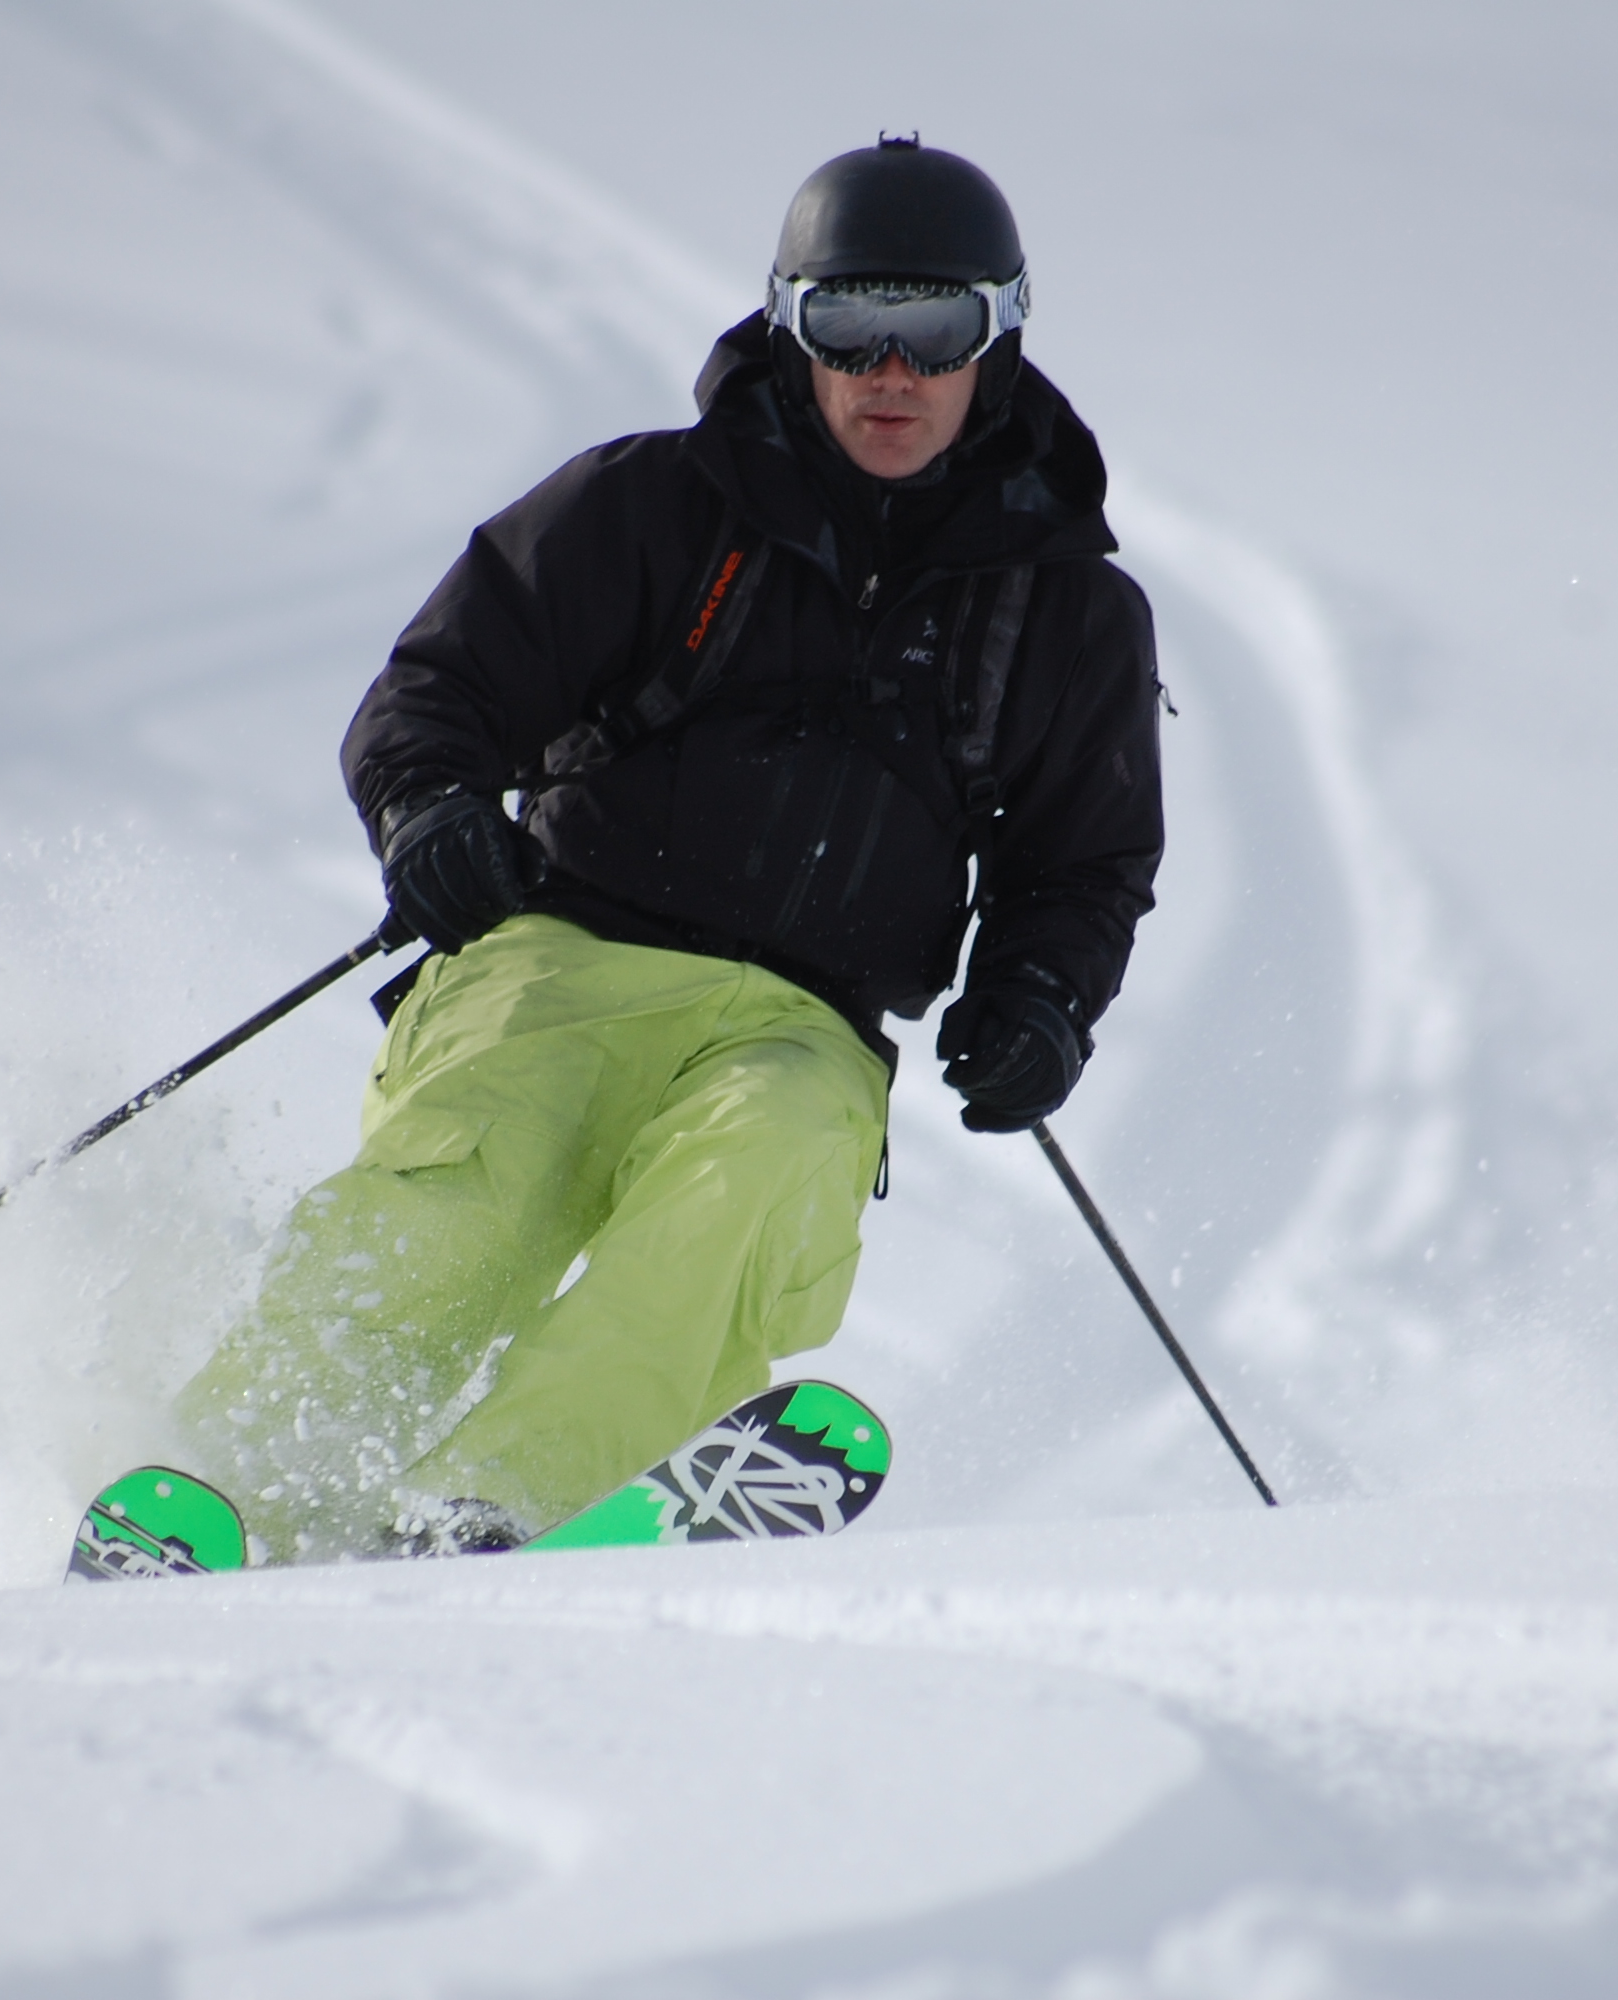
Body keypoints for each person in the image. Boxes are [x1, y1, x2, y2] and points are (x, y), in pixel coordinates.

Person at [178, 137, 1166, 1560]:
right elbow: (441, 688)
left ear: (998, 339)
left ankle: (500, 1508)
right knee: (465, 1206)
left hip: (804, 1031)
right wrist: (431, 810)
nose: (890, 371)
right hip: (556, 959)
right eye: (849, 325)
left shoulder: (1071, 614)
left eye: (933, 330)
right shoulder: (649, 505)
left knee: (748, 1184)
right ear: (789, 325)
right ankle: (243, 1491)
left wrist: (1041, 1000)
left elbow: (1085, 861)